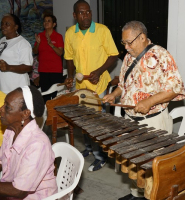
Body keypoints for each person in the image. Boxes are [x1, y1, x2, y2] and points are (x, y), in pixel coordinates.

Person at [103, 21, 185, 200]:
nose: (126, 47)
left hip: (153, 121)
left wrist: (149, 101)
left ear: (142, 37)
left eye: (129, 42)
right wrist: (115, 94)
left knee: (152, 169)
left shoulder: (162, 56)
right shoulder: (129, 56)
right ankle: (136, 194)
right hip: (131, 120)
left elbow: (175, 88)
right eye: (123, 43)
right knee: (135, 162)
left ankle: (152, 197)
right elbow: (124, 83)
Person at [0, 85, 57, 199]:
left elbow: (19, 191)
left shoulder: (37, 144)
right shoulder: (11, 130)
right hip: (12, 190)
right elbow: (0, 160)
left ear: (25, 113)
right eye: (4, 103)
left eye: (7, 107)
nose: (0, 108)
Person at [64, 0, 119, 171]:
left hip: (99, 86)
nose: (86, 15)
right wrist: (71, 76)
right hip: (80, 87)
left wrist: (100, 71)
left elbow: (113, 55)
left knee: (98, 124)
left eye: (88, 12)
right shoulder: (70, 33)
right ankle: (89, 148)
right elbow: (69, 58)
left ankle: (100, 156)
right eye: (81, 13)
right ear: (75, 15)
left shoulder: (102, 30)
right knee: (83, 121)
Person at [0, 13, 33, 94]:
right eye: (2, 24)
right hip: (1, 86)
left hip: (15, 88)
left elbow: (28, 67)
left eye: (7, 24)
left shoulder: (23, 43)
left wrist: (8, 67)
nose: (3, 26)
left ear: (16, 27)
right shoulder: (2, 40)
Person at [33, 14, 64, 102]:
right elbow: (35, 51)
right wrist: (38, 43)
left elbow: (60, 52)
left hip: (55, 71)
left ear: (54, 24)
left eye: (49, 21)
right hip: (43, 70)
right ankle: (47, 115)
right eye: (45, 21)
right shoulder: (40, 35)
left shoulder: (58, 36)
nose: (46, 23)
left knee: (56, 97)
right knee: (45, 96)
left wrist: (51, 44)